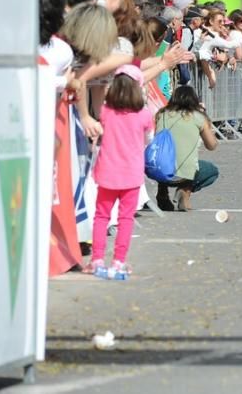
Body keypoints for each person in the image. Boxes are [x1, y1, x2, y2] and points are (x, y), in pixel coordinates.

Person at [87, 65, 154, 280]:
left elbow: (99, 97)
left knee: (101, 216)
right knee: (125, 219)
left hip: (107, 171)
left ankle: (96, 259)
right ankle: (118, 261)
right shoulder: (144, 115)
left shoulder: (106, 112)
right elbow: (148, 139)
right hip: (132, 174)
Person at [154, 86, 219, 211]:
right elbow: (212, 145)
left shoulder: (161, 114)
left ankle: (162, 192)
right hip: (184, 174)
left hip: (157, 171)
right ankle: (185, 191)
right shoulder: (197, 117)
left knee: (164, 157)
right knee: (211, 171)